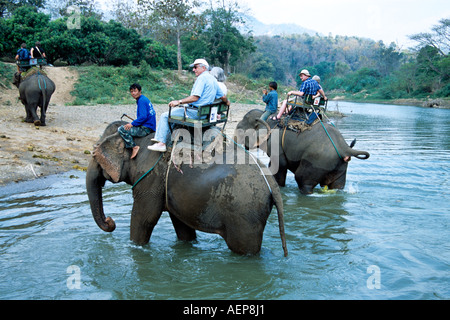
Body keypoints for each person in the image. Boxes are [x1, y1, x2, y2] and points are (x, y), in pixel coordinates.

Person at [148, 59, 230, 153]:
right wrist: (227, 102)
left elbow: (195, 97)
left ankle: (161, 143)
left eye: (195, 67)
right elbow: (223, 96)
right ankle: (163, 136)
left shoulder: (202, 78)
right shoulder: (213, 79)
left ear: (203, 67)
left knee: (165, 115)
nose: (193, 70)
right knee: (179, 110)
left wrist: (178, 101)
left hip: (195, 113)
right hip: (205, 113)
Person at [118, 83, 156, 159]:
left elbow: (143, 116)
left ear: (140, 91)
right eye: (131, 91)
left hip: (146, 129)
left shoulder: (141, 101)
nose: (133, 93)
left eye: (135, 91)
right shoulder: (144, 99)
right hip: (149, 126)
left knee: (121, 129)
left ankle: (134, 147)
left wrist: (132, 124)